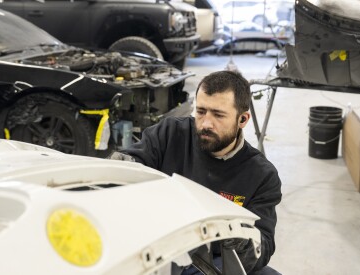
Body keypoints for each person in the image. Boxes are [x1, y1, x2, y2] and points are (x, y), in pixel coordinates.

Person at [109, 70, 282, 274]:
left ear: (242, 120)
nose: (206, 124)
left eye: (218, 115)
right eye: (201, 112)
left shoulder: (262, 175)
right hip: (160, 249)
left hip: (213, 261)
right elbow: (135, 160)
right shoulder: (170, 134)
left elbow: (264, 245)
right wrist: (122, 167)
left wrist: (239, 241)